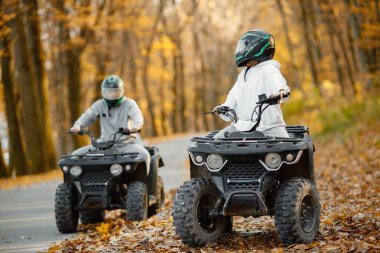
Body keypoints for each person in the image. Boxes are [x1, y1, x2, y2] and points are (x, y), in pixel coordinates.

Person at [213, 29, 290, 139]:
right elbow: (233, 95)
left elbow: (276, 79)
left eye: (244, 46)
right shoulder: (243, 74)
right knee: (217, 141)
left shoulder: (268, 67)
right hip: (241, 126)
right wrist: (224, 108)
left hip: (269, 127)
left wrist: (282, 90)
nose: (241, 50)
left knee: (286, 148)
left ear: (255, 48)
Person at [70, 75, 150, 171]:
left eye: (116, 92)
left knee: (145, 154)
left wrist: (136, 126)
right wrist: (77, 125)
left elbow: (137, 116)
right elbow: (88, 115)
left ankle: (146, 184)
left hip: (124, 145)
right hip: (102, 145)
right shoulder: (99, 105)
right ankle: (78, 185)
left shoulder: (129, 103)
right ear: (103, 92)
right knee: (75, 156)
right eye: (109, 92)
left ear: (122, 91)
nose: (112, 95)